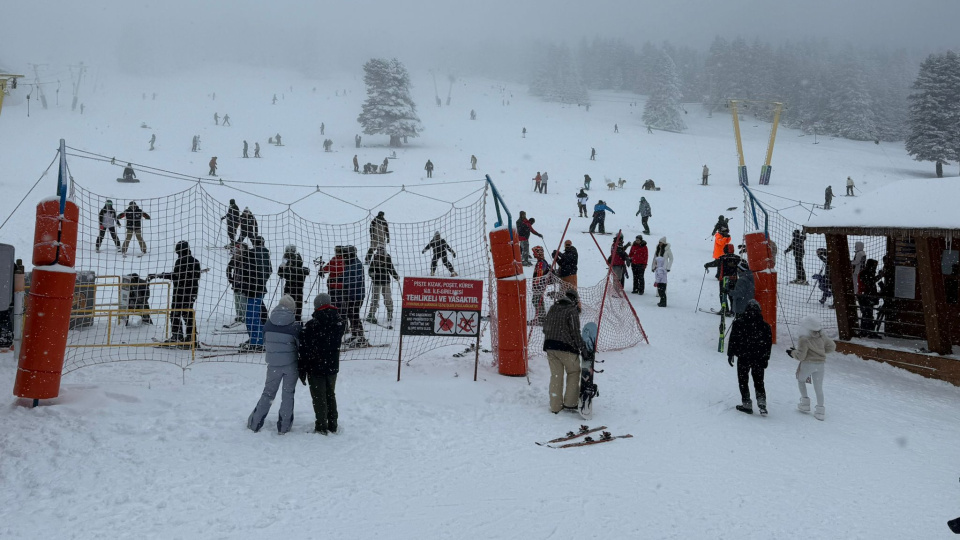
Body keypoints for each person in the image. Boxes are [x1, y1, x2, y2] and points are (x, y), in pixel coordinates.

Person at [246, 295, 301, 434]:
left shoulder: (268, 324)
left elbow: (265, 341)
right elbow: (300, 345)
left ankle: (255, 423)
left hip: (273, 365)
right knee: (288, 394)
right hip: (291, 365)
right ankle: (284, 426)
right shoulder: (294, 326)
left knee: (268, 393)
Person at [297, 293, 346, 434]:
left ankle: (321, 426)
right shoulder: (340, 322)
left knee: (319, 397)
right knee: (330, 394)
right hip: (332, 365)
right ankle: (333, 424)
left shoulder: (312, 325)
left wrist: (303, 366)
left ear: (317, 305)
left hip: (315, 366)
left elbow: (304, 349)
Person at [149, 241, 202, 347]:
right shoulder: (192, 261)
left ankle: (185, 338)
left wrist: (161, 275)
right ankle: (186, 337)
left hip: (184, 292)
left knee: (181, 314)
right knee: (183, 314)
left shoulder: (185, 261)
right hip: (187, 292)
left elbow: (177, 276)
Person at [542, 289, 587, 413]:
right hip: (567, 348)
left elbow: (545, 328)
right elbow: (575, 332)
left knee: (556, 376)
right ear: (575, 300)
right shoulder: (571, 310)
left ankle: (555, 406)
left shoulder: (552, 308)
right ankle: (570, 403)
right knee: (573, 372)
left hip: (550, 347)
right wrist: (583, 348)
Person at [726, 299, 772, 415]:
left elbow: (733, 340)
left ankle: (746, 403)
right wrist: (766, 359)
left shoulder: (739, 323)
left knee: (743, 380)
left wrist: (730, 354)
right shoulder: (765, 327)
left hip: (743, 357)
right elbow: (768, 345)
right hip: (758, 358)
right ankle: (762, 403)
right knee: (759, 381)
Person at [787, 314, 836, 421]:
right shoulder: (822, 336)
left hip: (808, 364)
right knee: (818, 387)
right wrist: (821, 352)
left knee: (801, 380)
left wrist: (792, 352)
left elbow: (801, 356)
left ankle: (805, 403)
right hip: (820, 365)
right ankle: (820, 411)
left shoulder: (804, 338)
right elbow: (832, 346)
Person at [239, 236, 272, 351]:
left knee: (251, 316)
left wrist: (246, 284)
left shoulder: (251, 254)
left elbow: (245, 270)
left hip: (252, 290)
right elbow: (269, 271)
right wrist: (262, 282)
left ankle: (257, 341)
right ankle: (257, 338)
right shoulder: (266, 255)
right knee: (255, 314)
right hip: (260, 289)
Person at [366, 247, 400, 327]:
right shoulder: (375, 257)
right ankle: (371, 314)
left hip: (385, 281)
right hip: (376, 281)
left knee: (387, 297)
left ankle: (390, 311)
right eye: (378, 250)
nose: (379, 252)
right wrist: (371, 274)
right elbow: (370, 269)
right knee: (375, 298)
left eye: (381, 250)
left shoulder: (387, 257)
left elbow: (391, 268)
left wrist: (396, 276)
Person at [705, 244, 742, 315]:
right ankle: (733, 310)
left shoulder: (722, 258)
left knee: (723, 294)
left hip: (724, 279)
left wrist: (707, 265)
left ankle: (725, 310)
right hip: (734, 279)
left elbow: (714, 263)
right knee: (732, 295)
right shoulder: (737, 258)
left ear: (725, 250)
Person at [278, 245, 310, 323]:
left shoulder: (287, 258)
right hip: (298, 286)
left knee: (288, 303)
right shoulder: (298, 259)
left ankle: (289, 318)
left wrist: (282, 270)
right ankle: (297, 319)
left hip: (290, 286)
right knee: (298, 303)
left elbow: (282, 273)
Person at [225, 242, 248, 328]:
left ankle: (245, 316)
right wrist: (230, 278)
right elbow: (228, 268)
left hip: (244, 283)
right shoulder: (234, 259)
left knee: (243, 301)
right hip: (236, 282)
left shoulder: (247, 258)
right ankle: (239, 315)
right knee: (237, 300)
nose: (237, 252)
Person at [857, 258, 880, 336]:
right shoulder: (865, 273)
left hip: (865, 295)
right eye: (874, 266)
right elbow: (870, 282)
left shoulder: (866, 272)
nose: (875, 268)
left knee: (867, 314)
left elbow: (870, 282)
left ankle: (866, 331)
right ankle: (866, 331)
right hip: (865, 296)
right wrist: (880, 276)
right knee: (867, 314)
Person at [530, 246, 552, 324]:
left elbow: (539, 274)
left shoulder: (541, 263)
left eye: (534, 253)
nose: (533, 254)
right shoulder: (541, 262)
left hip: (539, 285)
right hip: (539, 285)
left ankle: (541, 318)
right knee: (537, 300)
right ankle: (541, 316)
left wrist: (536, 284)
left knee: (537, 300)